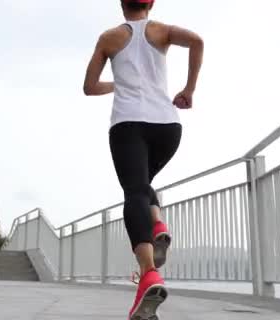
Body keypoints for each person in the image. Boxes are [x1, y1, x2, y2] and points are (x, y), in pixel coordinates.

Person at [83, 0, 203, 318]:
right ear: (150, 4)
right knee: (143, 183)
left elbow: (89, 87)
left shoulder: (109, 38)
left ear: (122, 5)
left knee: (135, 190)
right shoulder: (161, 30)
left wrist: (120, 83)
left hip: (129, 125)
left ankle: (148, 274)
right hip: (168, 126)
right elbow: (197, 42)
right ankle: (157, 222)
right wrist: (189, 90)